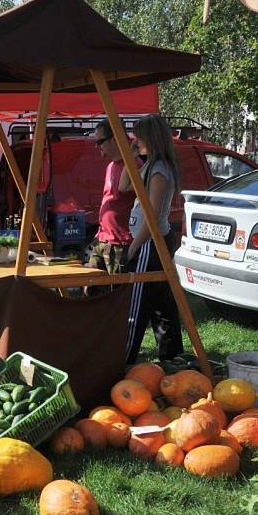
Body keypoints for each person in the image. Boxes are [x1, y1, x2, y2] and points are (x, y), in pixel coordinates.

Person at [118, 114, 183, 364]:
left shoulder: (159, 170)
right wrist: (131, 155)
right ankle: (172, 358)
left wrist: (133, 248)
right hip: (154, 242)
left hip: (150, 243)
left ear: (150, 138)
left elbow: (153, 217)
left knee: (136, 306)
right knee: (163, 305)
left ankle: (124, 359)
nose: (135, 139)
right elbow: (123, 186)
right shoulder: (149, 165)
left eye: (138, 136)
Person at [86, 119, 137, 276]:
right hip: (102, 239)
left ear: (115, 139)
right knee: (89, 286)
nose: (97, 146)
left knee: (114, 294)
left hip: (120, 243)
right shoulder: (111, 166)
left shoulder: (133, 166)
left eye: (100, 141)